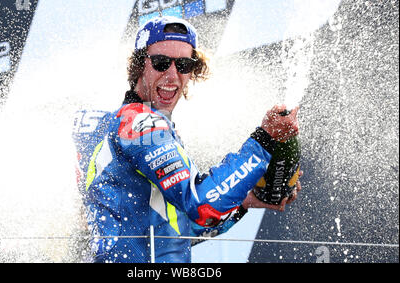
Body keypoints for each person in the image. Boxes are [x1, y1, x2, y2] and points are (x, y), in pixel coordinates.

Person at [72, 16, 301, 263]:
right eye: (161, 63)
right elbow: (203, 207)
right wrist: (263, 141)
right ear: (139, 66)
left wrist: (244, 203)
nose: (172, 75)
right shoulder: (139, 124)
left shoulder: (134, 125)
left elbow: (179, 230)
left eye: (183, 64)